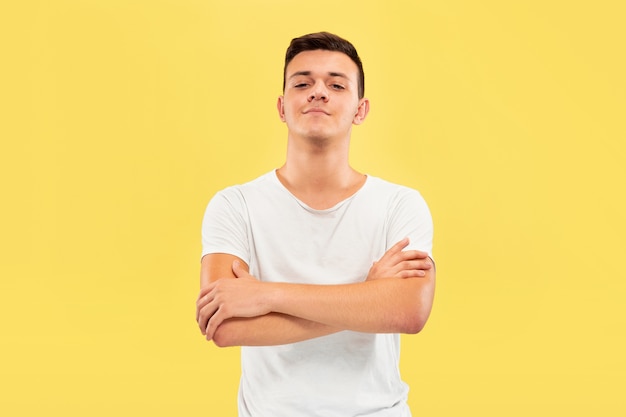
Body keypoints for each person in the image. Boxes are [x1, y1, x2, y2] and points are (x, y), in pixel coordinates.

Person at [196, 32, 436, 417]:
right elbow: (223, 328)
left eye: (336, 84)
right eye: (303, 83)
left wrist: (267, 295)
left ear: (361, 109)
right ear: (282, 106)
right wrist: (367, 296)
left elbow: (408, 311)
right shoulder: (235, 205)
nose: (318, 92)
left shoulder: (399, 204)